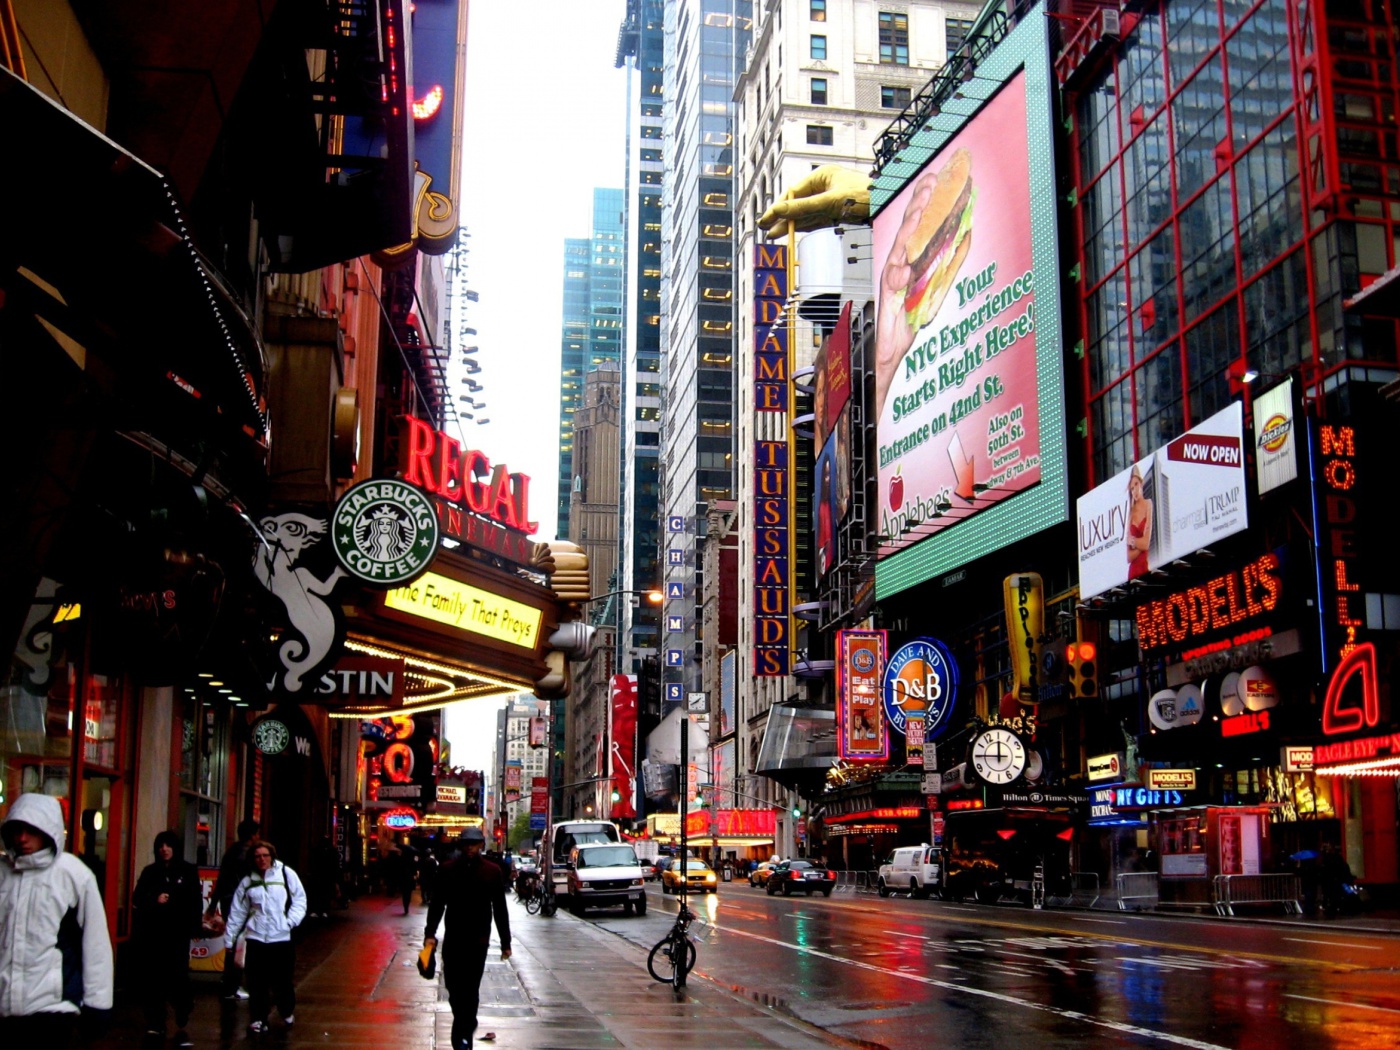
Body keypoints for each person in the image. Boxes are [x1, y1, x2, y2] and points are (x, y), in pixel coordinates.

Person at [0, 793, 114, 1043]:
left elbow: (96, 946)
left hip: (53, 1009)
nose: (22, 838)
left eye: (31, 831)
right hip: (4, 1009)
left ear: (48, 830)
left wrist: (98, 1007)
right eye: (17, 830)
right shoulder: (3, 873)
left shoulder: (73, 875)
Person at [422, 826, 511, 1050]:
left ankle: (463, 1035)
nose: (470, 847)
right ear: (461, 845)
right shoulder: (447, 870)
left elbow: (500, 908)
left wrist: (505, 942)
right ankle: (465, 1022)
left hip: (478, 940)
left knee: (470, 989)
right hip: (453, 937)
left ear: (481, 845)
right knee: (453, 987)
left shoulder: (492, 872)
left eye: (474, 843)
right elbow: (437, 903)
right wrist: (430, 933)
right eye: (466, 844)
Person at [224, 840, 307, 1034]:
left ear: (272, 856)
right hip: (257, 938)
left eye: (265, 855)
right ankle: (259, 1018)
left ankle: (286, 1010)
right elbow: (238, 911)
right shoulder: (248, 881)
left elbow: (300, 900)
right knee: (256, 982)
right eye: (257, 856)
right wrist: (230, 939)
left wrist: (289, 921)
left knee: (283, 980)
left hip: (281, 938)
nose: (262, 860)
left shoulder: (286, 874)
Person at [133, 831, 203, 1044]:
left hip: (177, 933)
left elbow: (195, 901)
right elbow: (137, 898)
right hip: (154, 933)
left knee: (178, 974)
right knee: (154, 978)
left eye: (168, 845)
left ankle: (183, 1006)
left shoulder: (188, 871)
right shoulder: (150, 872)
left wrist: (195, 927)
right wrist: (154, 899)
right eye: (160, 846)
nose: (164, 849)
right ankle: (156, 1022)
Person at [207, 818, 260, 999]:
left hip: (227, 900)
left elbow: (221, 880)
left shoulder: (231, 852)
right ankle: (233, 984)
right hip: (240, 902)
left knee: (233, 940)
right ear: (252, 835)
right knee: (239, 943)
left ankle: (229, 981)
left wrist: (213, 905)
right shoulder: (247, 856)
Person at [1126, 464, 1153, 579]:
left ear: (1141, 484)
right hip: (1133, 572)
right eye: (1132, 488)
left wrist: (1133, 542)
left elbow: (1146, 543)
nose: (1134, 490)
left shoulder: (1148, 504)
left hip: (1144, 567)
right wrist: (1139, 543)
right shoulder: (1130, 514)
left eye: (1136, 484)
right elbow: (1129, 557)